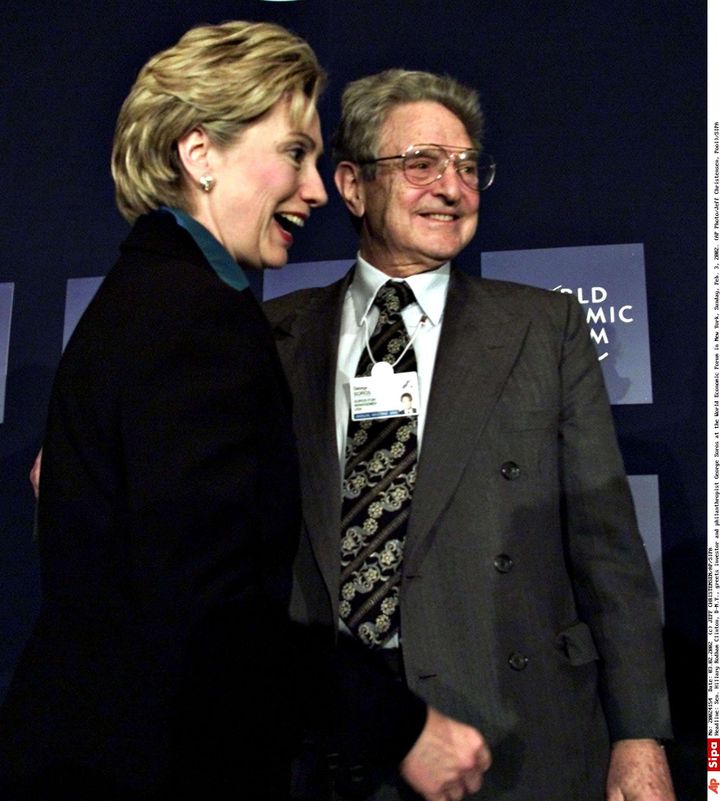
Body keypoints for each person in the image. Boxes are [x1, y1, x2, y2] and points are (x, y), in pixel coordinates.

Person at [2, 34, 490, 801]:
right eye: (294, 153)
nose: (317, 188)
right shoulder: (193, 320)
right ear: (201, 152)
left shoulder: (149, 296)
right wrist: (401, 726)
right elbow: (211, 616)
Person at [264, 69, 676, 800]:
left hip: (512, 734)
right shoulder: (275, 336)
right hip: (331, 738)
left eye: (467, 166)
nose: (451, 186)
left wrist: (639, 734)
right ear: (353, 186)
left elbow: (608, 548)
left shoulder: (543, 329)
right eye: (420, 163)